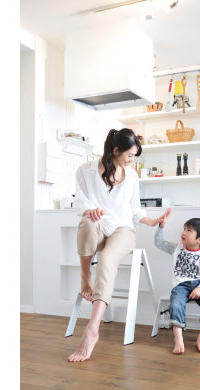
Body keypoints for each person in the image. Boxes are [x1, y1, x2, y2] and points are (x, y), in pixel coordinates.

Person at [68, 128, 170, 362]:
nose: (131, 160)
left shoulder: (131, 176)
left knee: (107, 259)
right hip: (97, 228)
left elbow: (136, 212)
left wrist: (153, 221)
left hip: (122, 231)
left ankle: (92, 329)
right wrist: (90, 210)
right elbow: (80, 203)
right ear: (115, 150)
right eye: (130, 155)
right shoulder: (85, 170)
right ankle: (85, 275)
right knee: (86, 222)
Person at [154, 214, 200, 354]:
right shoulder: (177, 248)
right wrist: (161, 226)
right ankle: (178, 339)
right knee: (176, 304)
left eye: (189, 230)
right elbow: (159, 243)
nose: (184, 232)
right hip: (181, 286)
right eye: (184, 229)